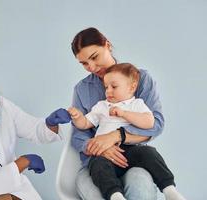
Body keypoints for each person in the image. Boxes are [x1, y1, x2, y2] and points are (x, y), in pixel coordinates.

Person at [70, 27, 164, 200]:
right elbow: (78, 135)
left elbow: (155, 125)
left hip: (133, 158)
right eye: (84, 63)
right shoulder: (81, 89)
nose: (91, 67)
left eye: (94, 57)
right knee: (96, 193)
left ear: (108, 45)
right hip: (96, 163)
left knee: (140, 185)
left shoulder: (140, 79)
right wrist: (99, 148)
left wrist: (117, 136)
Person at [68, 63, 186, 200]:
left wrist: (124, 114)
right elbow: (85, 124)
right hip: (104, 154)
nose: (108, 91)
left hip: (131, 150)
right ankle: (115, 195)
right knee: (98, 167)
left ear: (132, 87)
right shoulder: (102, 106)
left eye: (114, 87)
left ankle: (169, 189)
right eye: (106, 87)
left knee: (149, 153)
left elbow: (150, 122)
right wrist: (77, 117)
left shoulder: (136, 104)